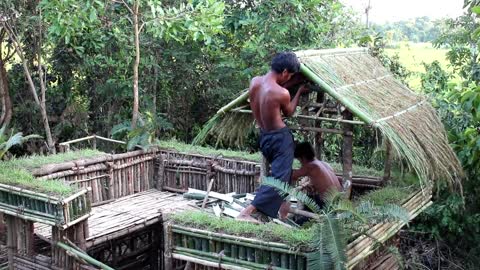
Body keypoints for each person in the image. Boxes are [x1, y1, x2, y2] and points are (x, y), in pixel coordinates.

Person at [237, 52, 309, 223]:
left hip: (264, 137)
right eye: (289, 75)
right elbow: (289, 112)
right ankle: (247, 211)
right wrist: (298, 91)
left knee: (278, 175)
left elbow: (270, 90)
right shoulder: (282, 93)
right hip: (280, 139)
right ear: (285, 72)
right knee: (279, 179)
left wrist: (292, 83)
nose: (289, 78)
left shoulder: (255, 82)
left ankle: (270, 212)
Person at [291, 142, 342, 213]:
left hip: (327, 206)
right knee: (308, 192)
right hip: (339, 203)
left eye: (299, 160)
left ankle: (298, 213)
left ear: (303, 157)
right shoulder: (324, 164)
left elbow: (292, 175)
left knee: (301, 216)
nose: (301, 163)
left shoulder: (310, 166)